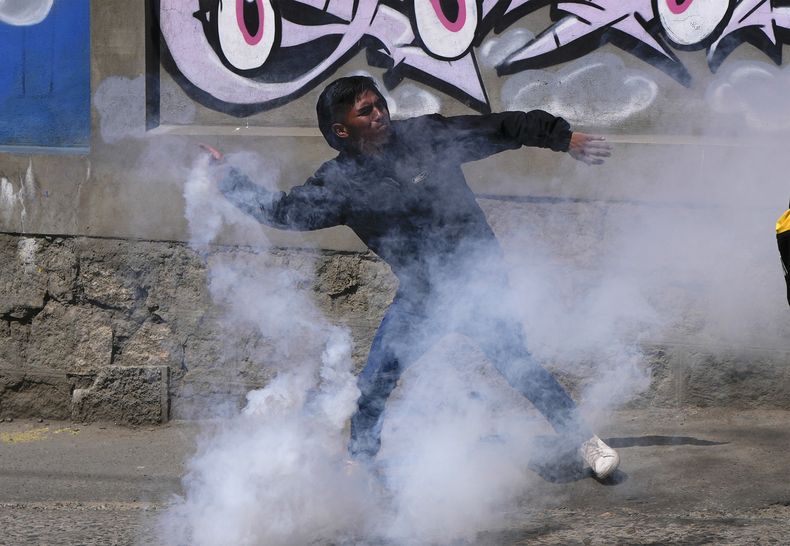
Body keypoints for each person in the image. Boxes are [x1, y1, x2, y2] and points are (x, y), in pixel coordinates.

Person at [203, 76, 620, 479]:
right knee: (373, 384)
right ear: (342, 130)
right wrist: (229, 181)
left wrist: (563, 138)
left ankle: (585, 442)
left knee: (518, 365)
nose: (379, 114)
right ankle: (360, 466)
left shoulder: (426, 137)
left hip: (477, 283)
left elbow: (501, 127)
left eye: (379, 104)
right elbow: (284, 212)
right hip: (422, 299)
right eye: (366, 112)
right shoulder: (339, 184)